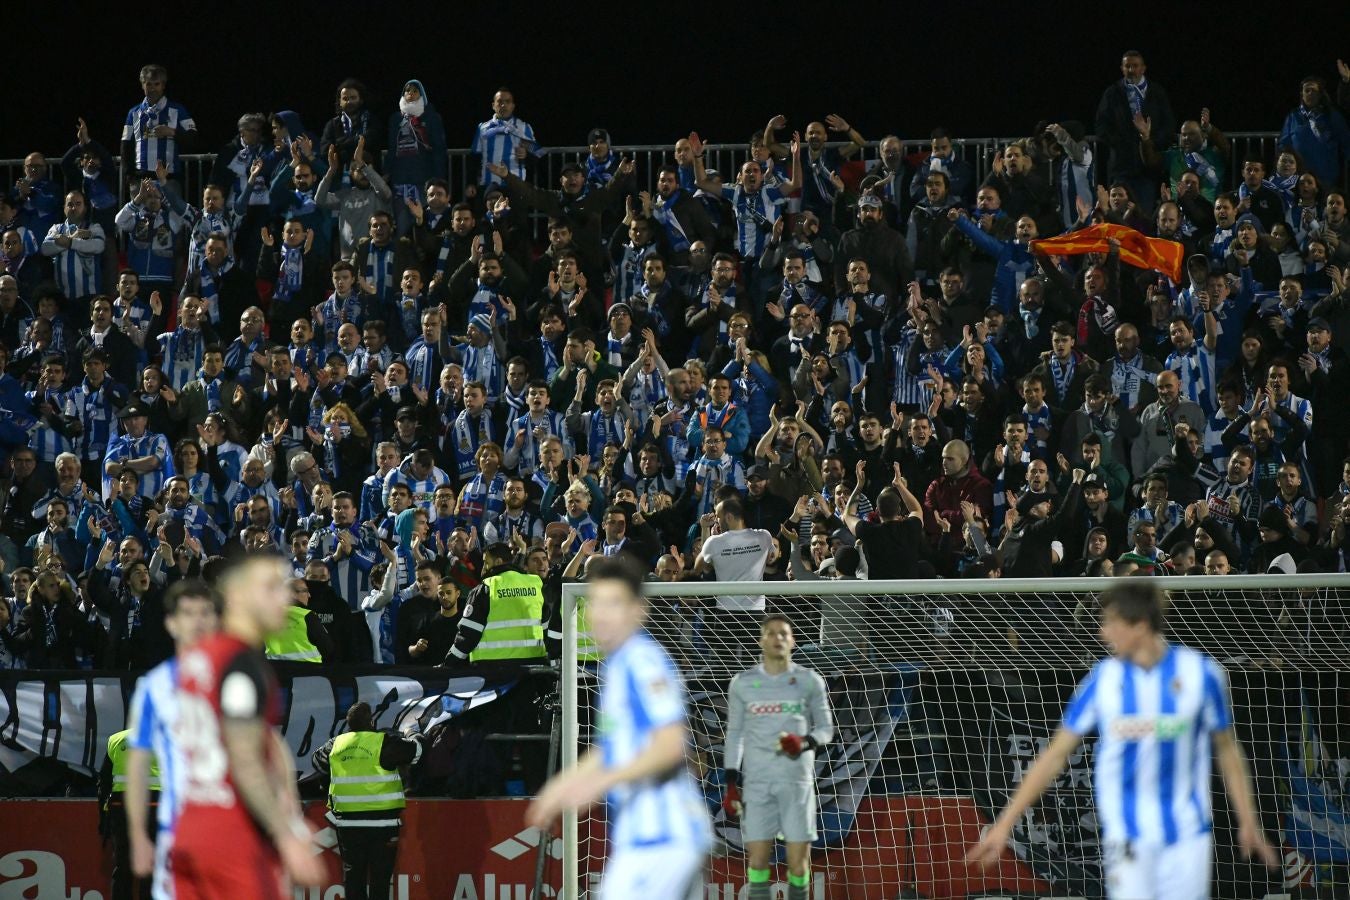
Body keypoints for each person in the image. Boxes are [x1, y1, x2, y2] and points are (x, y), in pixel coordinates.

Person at [967, 581, 1278, 899]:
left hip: (1186, 836)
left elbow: (1227, 750)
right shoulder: (1103, 680)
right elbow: (1054, 755)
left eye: (1112, 624)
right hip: (1127, 837)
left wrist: (1248, 820)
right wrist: (1004, 823)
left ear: (1140, 625)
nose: (1103, 634)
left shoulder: (1202, 674)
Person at [526, 558, 710, 900]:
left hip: (662, 837)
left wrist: (599, 781)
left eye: (615, 603)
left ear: (638, 611)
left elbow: (671, 743)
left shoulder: (642, 660)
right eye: (596, 602)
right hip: (643, 838)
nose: (602, 614)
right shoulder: (617, 667)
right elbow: (612, 750)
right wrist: (562, 786)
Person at [171, 555, 324, 898]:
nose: (284, 598)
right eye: (271, 588)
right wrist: (285, 830)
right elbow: (243, 758)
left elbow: (261, 739)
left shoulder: (225, 656)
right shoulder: (237, 666)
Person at [721, 614, 833, 900]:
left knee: (798, 864)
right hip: (757, 785)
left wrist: (804, 742)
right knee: (757, 863)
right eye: (770, 633)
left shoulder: (810, 681)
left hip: (797, 784)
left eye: (784, 633)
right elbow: (735, 735)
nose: (777, 638)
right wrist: (731, 781)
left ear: (793, 641)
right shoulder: (742, 683)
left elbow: (826, 730)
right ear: (761, 640)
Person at [124, 579, 219, 900]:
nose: (197, 621)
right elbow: (136, 767)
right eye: (188, 613)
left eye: (205, 613)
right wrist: (138, 836)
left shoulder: (239, 679)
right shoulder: (154, 686)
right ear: (171, 623)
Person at [311, 701, 425, 900]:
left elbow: (316, 761)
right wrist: (411, 733)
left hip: (348, 827)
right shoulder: (384, 743)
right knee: (380, 881)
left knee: (353, 879)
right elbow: (418, 752)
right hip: (383, 826)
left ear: (349, 724)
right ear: (371, 721)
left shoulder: (336, 744)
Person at [444, 541, 547, 663]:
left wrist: (449, 663)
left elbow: (468, 634)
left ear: (498, 562)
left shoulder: (486, 588)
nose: (483, 568)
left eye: (486, 563)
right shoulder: (534, 584)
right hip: (534, 665)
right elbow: (546, 627)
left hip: (494, 668)